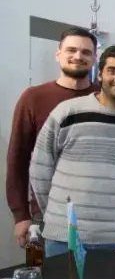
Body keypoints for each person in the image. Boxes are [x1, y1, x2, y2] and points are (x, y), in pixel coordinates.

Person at [29, 45, 115, 256]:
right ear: (100, 74)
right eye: (112, 70)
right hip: (64, 237)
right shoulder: (67, 112)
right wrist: (56, 214)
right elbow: (40, 169)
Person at [8, 27, 98, 252]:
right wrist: (21, 215)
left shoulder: (104, 98)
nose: (78, 56)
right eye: (71, 50)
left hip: (96, 216)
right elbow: (17, 159)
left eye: (86, 52)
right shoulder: (33, 98)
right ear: (58, 54)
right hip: (43, 215)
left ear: (95, 58)